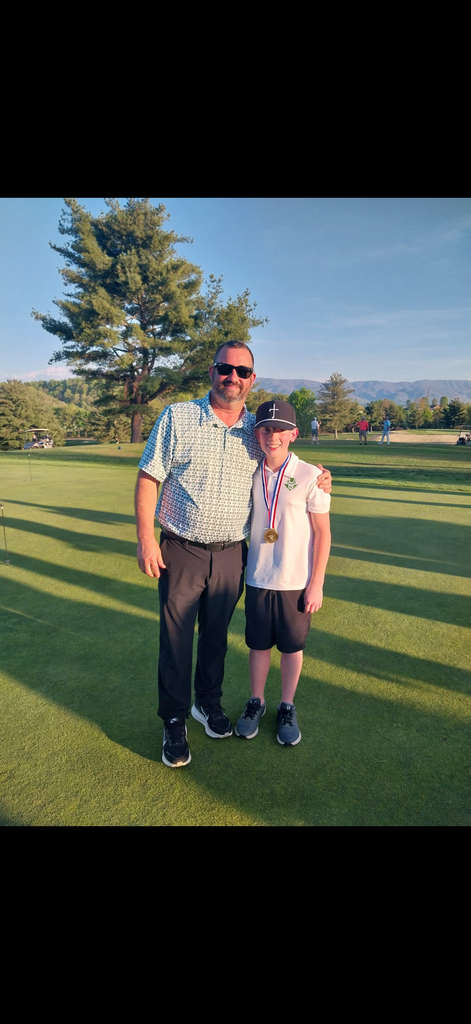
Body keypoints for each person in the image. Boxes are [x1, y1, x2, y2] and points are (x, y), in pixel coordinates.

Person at [135, 341, 333, 768]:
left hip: (231, 555)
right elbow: (149, 476)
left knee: (215, 637)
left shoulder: (255, 429)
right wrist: (146, 539)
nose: (233, 377)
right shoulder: (178, 416)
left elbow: (283, 458)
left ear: (251, 379)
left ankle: (207, 703)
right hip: (181, 548)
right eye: (225, 368)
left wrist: (319, 475)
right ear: (212, 372)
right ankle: (173, 718)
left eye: (242, 372)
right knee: (175, 638)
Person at [235, 401, 331, 746]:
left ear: (293, 433)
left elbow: (323, 533)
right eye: (265, 429)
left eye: (279, 430)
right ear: (256, 432)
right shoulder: (249, 471)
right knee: (258, 646)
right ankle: (256, 702)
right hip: (258, 576)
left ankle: (286, 706)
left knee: (291, 648)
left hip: (296, 581)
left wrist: (316, 583)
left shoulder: (310, 475)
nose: (271, 436)